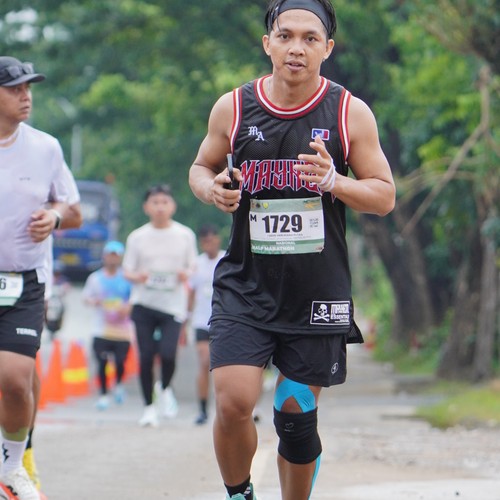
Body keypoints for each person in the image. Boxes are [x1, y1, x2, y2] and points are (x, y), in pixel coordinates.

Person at [188, 1, 396, 498]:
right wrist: (212, 189)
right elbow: (200, 168)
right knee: (234, 402)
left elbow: (384, 196)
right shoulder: (233, 107)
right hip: (245, 285)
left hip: (316, 291)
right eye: (285, 36)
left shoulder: (348, 112)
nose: (296, 48)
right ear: (268, 44)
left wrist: (335, 181)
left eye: (309, 38)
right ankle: (239, 493)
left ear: (328, 48)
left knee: (295, 413)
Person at [0, 55, 74, 500]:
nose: (26, 96)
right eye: (15, 89)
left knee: (15, 377)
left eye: (28, 88)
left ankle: (14, 464)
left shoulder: (46, 148)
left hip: (25, 278)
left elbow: (72, 207)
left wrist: (55, 216)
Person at [123, 184, 197, 427]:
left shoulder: (185, 235)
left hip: (173, 305)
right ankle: (148, 408)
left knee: (167, 354)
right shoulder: (137, 237)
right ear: (146, 207)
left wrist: (186, 274)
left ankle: (164, 388)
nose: (160, 207)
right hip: (144, 303)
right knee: (145, 357)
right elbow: (127, 271)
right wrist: (139, 276)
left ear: (173, 206)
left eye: (165, 202)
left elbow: (192, 266)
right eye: (155, 202)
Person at [82, 241, 133, 411]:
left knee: (120, 362)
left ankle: (118, 384)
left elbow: (135, 299)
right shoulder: (95, 278)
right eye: (110, 255)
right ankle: (103, 395)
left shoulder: (127, 278)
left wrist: (127, 308)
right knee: (102, 362)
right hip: (101, 329)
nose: (112, 258)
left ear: (120, 257)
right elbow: (86, 298)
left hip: (123, 331)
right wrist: (94, 301)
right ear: (104, 256)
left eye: (116, 255)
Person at [187, 225, 225, 425]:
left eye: (212, 240)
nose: (209, 244)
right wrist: (186, 318)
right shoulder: (197, 264)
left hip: (223, 319)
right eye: (206, 241)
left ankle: (224, 407)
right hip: (201, 320)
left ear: (218, 240)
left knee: (223, 368)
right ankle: (202, 409)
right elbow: (191, 292)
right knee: (204, 362)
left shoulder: (226, 259)